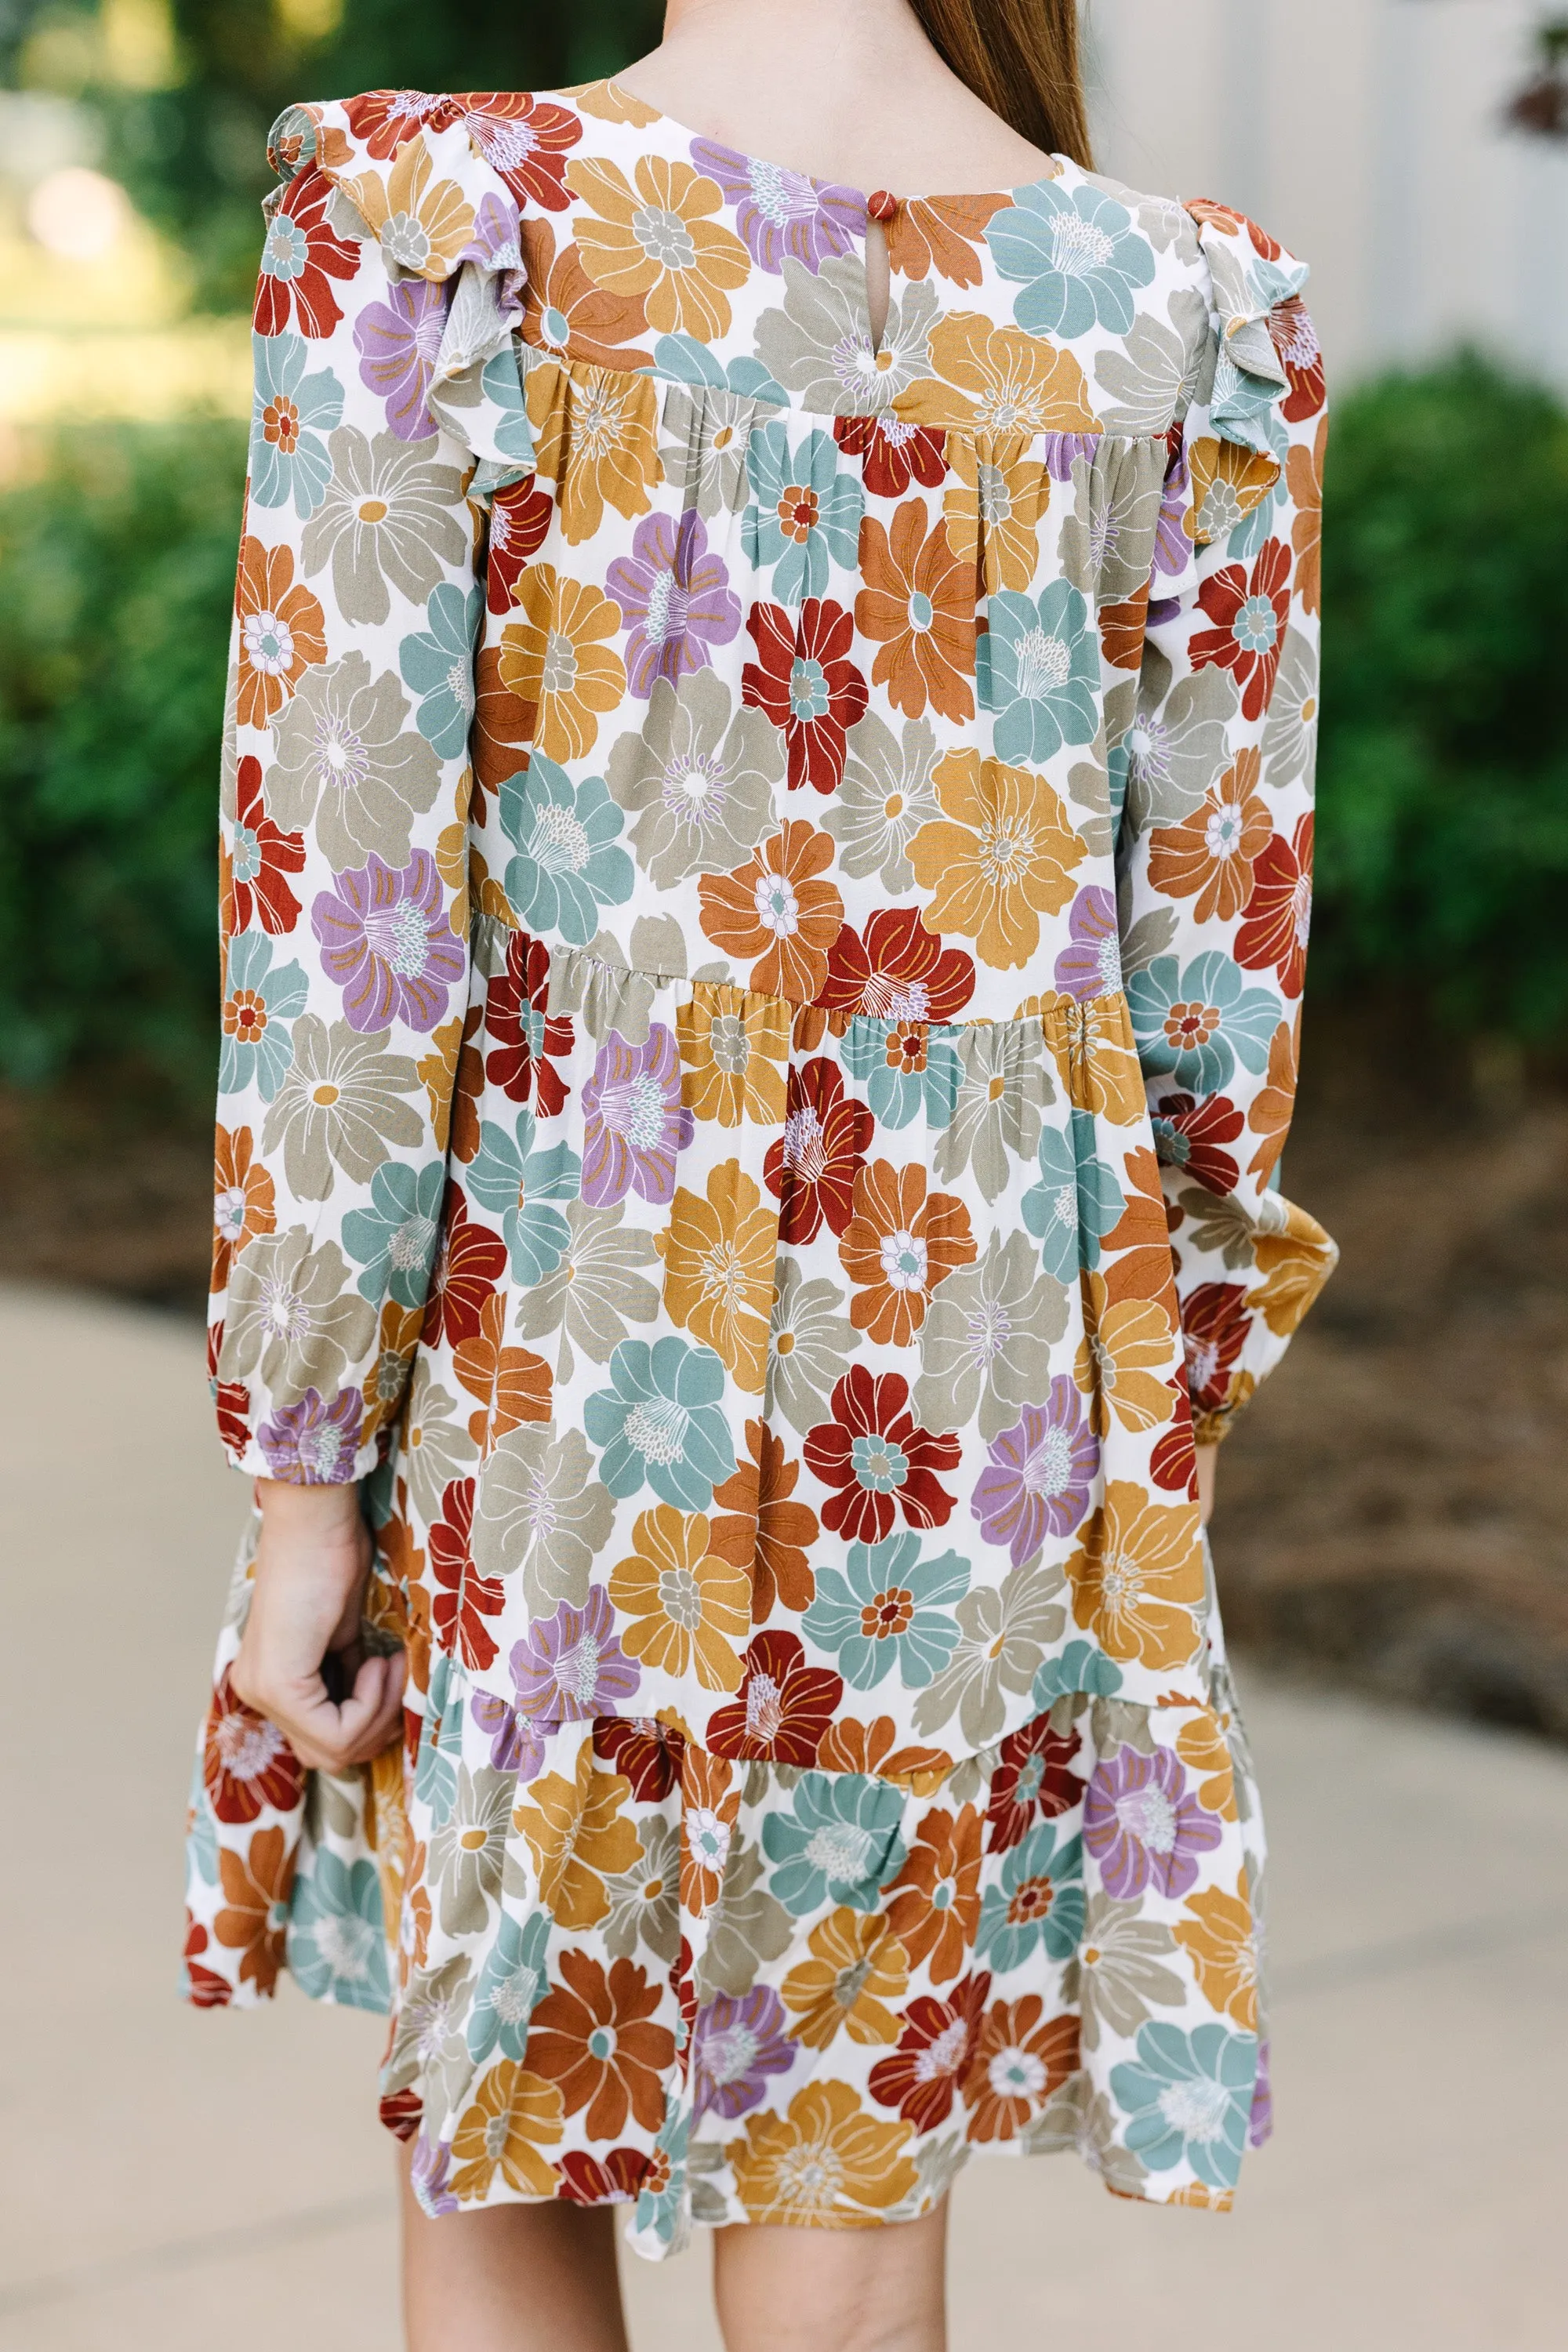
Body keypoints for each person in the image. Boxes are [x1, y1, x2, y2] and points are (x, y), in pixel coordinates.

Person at [186, 2, 1335, 2345]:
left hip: (556, 1332)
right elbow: (1219, 976)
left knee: (509, 2109)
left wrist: (307, 1467)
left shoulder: (457, 225)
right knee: (851, 2178)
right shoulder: (1183, 304)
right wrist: (1160, 1404)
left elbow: (348, 910)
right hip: (977, 1367)